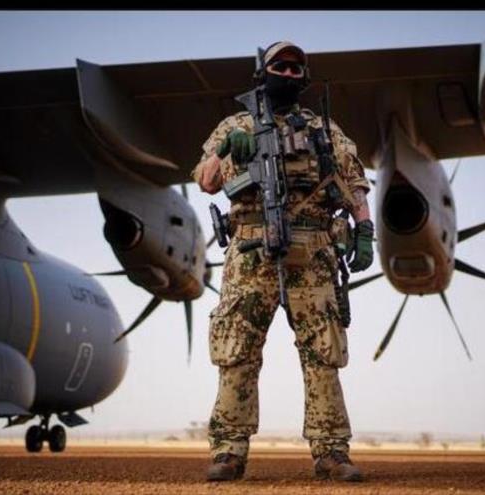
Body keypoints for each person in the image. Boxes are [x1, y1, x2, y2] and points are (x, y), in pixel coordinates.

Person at [191, 41, 374, 482]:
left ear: (304, 78)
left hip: (312, 252)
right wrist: (229, 150)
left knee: (323, 353)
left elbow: (355, 184)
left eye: (296, 68)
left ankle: (331, 451)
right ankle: (228, 451)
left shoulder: (324, 128)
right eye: (280, 66)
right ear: (263, 72)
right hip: (251, 248)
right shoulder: (235, 124)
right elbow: (206, 181)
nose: (289, 74)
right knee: (237, 350)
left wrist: (364, 230)